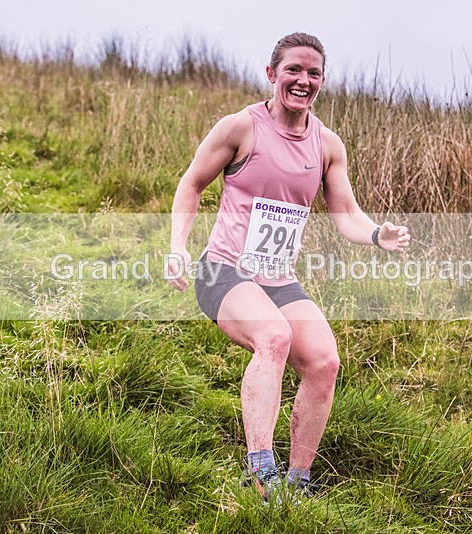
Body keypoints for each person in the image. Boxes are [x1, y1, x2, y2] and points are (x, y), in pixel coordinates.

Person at [166, 32, 410, 500]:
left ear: (322, 81)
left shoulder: (327, 145)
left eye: (313, 73)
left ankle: (297, 483)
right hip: (223, 272)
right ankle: (259, 472)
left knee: (324, 362)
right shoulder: (240, 128)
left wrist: (378, 233)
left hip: (277, 278)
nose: (303, 80)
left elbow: (346, 215)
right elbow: (191, 184)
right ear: (272, 74)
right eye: (293, 70)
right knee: (274, 336)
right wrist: (178, 245)